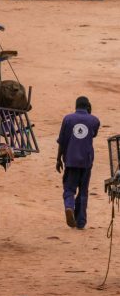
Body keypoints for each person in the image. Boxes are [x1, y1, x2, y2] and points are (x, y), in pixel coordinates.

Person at [57, 97, 100, 230]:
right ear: (88, 107)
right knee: (83, 191)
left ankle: (69, 206)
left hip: (71, 160)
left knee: (69, 189)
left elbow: (62, 142)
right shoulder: (94, 120)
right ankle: (81, 222)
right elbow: (93, 135)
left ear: (76, 106)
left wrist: (58, 159)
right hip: (86, 161)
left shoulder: (68, 119)